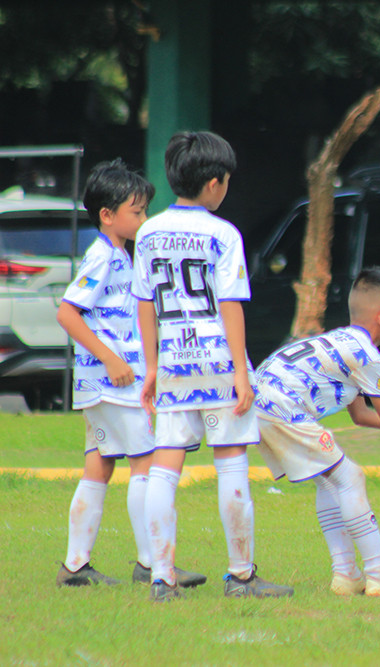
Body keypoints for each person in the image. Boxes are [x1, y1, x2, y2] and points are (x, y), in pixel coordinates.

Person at [132, 131, 291, 602]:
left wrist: (152, 366)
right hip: (218, 361)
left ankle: (161, 578)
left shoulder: (148, 231)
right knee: (231, 462)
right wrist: (242, 370)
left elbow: (145, 303)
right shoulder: (223, 234)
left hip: (174, 363)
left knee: (164, 467)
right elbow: (231, 303)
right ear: (217, 183)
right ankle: (241, 576)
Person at [254, 267, 380, 596]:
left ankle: (346, 575)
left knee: (330, 480)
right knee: (351, 477)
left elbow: (362, 416)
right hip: (282, 405)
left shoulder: (342, 341)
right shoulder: (368, 356)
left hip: (260, 403)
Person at [55, 159, 205, 589]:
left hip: (103, 385)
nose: (143, 219)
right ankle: (151, 563)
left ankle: (76, 567)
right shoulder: (103, 256)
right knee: (147, 462)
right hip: (113, 383)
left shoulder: (119, 254)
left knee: (99, 466)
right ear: (108, 215)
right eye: (136, 212)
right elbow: (68, 313)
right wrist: (112, 359)